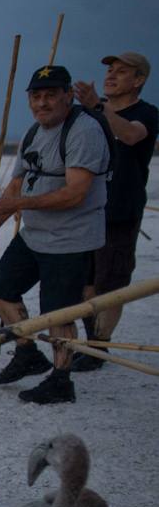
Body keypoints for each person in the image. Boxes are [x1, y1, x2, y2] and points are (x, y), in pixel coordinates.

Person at [0, 64, 110, 405]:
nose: (42, 103)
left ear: (68, 96)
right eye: (36, 96)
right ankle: (28, 353)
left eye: (51, 95)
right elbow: (15, 185)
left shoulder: (84, 131)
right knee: (0, 291)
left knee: (58, 312)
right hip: (35, 234)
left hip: (71, 239)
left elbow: (76, 193)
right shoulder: (33, 132)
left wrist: (21, 203)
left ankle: (61, 379)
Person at [71, 51, 156, 369]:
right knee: (84, 280)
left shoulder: (146, 113)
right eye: (109, 70)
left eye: (121, 71)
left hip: (121, 210)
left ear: (139, 79)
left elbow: (130, 135)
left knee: (111, 283)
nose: (111, 75)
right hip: (85, 208)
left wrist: (97, 106)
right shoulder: (91, 112)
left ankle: (100, 346)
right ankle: (91, 343)